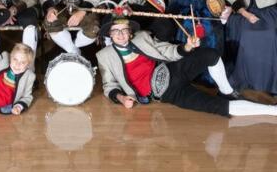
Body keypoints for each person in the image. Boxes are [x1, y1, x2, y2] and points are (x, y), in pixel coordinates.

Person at [96, 18, 277, 118]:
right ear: (110, 34)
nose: (120, 34)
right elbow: (109, 85)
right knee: (217, 107)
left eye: (124, 30)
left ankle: (227, 90)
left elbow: (166, 50)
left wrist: (187, 47)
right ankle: (272, 111)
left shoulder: (142, 37)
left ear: (130, 32)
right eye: (116, 31)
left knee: (210, 54)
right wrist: (121, 98)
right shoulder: (104, 56)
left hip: (172, 69)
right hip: (166, 92)